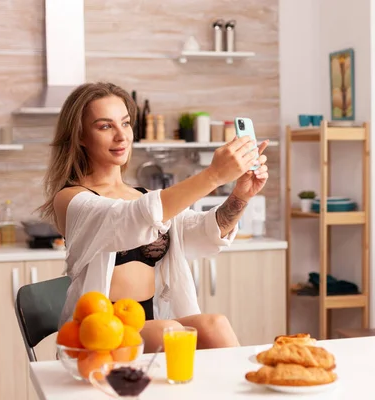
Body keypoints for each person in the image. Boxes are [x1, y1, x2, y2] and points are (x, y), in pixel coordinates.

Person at [39, 82, 270, 353]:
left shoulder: (144, 196)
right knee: (170, 331)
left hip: (149, 323)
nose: (121, 136)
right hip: (98, 332)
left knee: (215, 324)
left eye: (125, 124)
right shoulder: (73, 200)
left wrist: (240, 196)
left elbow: (202, 232)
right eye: (105, 126)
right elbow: (130, 218)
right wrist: (214, 175)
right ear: (79, 136)